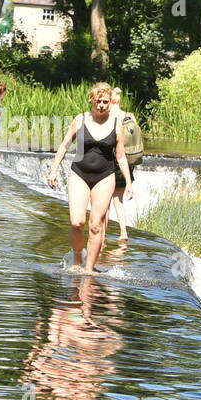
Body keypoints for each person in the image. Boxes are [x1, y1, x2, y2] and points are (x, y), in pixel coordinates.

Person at [47, 83, 134, 273]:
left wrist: (128, 182)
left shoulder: (116, 124)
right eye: (99, 101)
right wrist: (53, 170)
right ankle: (77, 259)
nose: (102, 105)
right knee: (76, 222)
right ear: (92, 100)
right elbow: (64, 146)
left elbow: (120, 156)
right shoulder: (80, 119)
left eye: (106, 101)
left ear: (110, 102)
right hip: (79, 174)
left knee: (95, 225)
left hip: (105, 176)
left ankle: (89, 270)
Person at [106, 87, 136, 242]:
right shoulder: (129, 115)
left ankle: (102, 234)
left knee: (104, 200)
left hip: (110, 162)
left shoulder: (109, 116)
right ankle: (123, 232)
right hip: (126, 164)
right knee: (118, 200)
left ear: (110, 100)